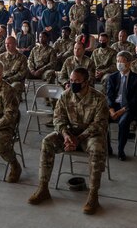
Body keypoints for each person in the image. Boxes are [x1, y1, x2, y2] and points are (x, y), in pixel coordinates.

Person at [28, 67, 109, 214]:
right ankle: (43, 187)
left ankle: (93, 195)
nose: (73, 84)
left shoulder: (99, 98)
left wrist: (78, 139)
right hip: (69, 134)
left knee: (96, 149)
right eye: (71, 80)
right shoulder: (65, 95)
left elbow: (99, 124)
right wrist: (66, 135)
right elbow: (58, 119)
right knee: (47, 142)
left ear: (86, 82)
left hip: (89, 136)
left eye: (77, 81)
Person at [105, 52, 137, 161]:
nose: (119, 64)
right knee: (102, 119)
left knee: (123, 122)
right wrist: (111, 110)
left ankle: (121, 149)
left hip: (129, 107)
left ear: (129, 63)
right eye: (117, 61)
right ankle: (108, 147)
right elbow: (109, 96)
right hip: (114, 106)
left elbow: (136, 99)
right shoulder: (112, 77)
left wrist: (122, 111)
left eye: (122, 61)